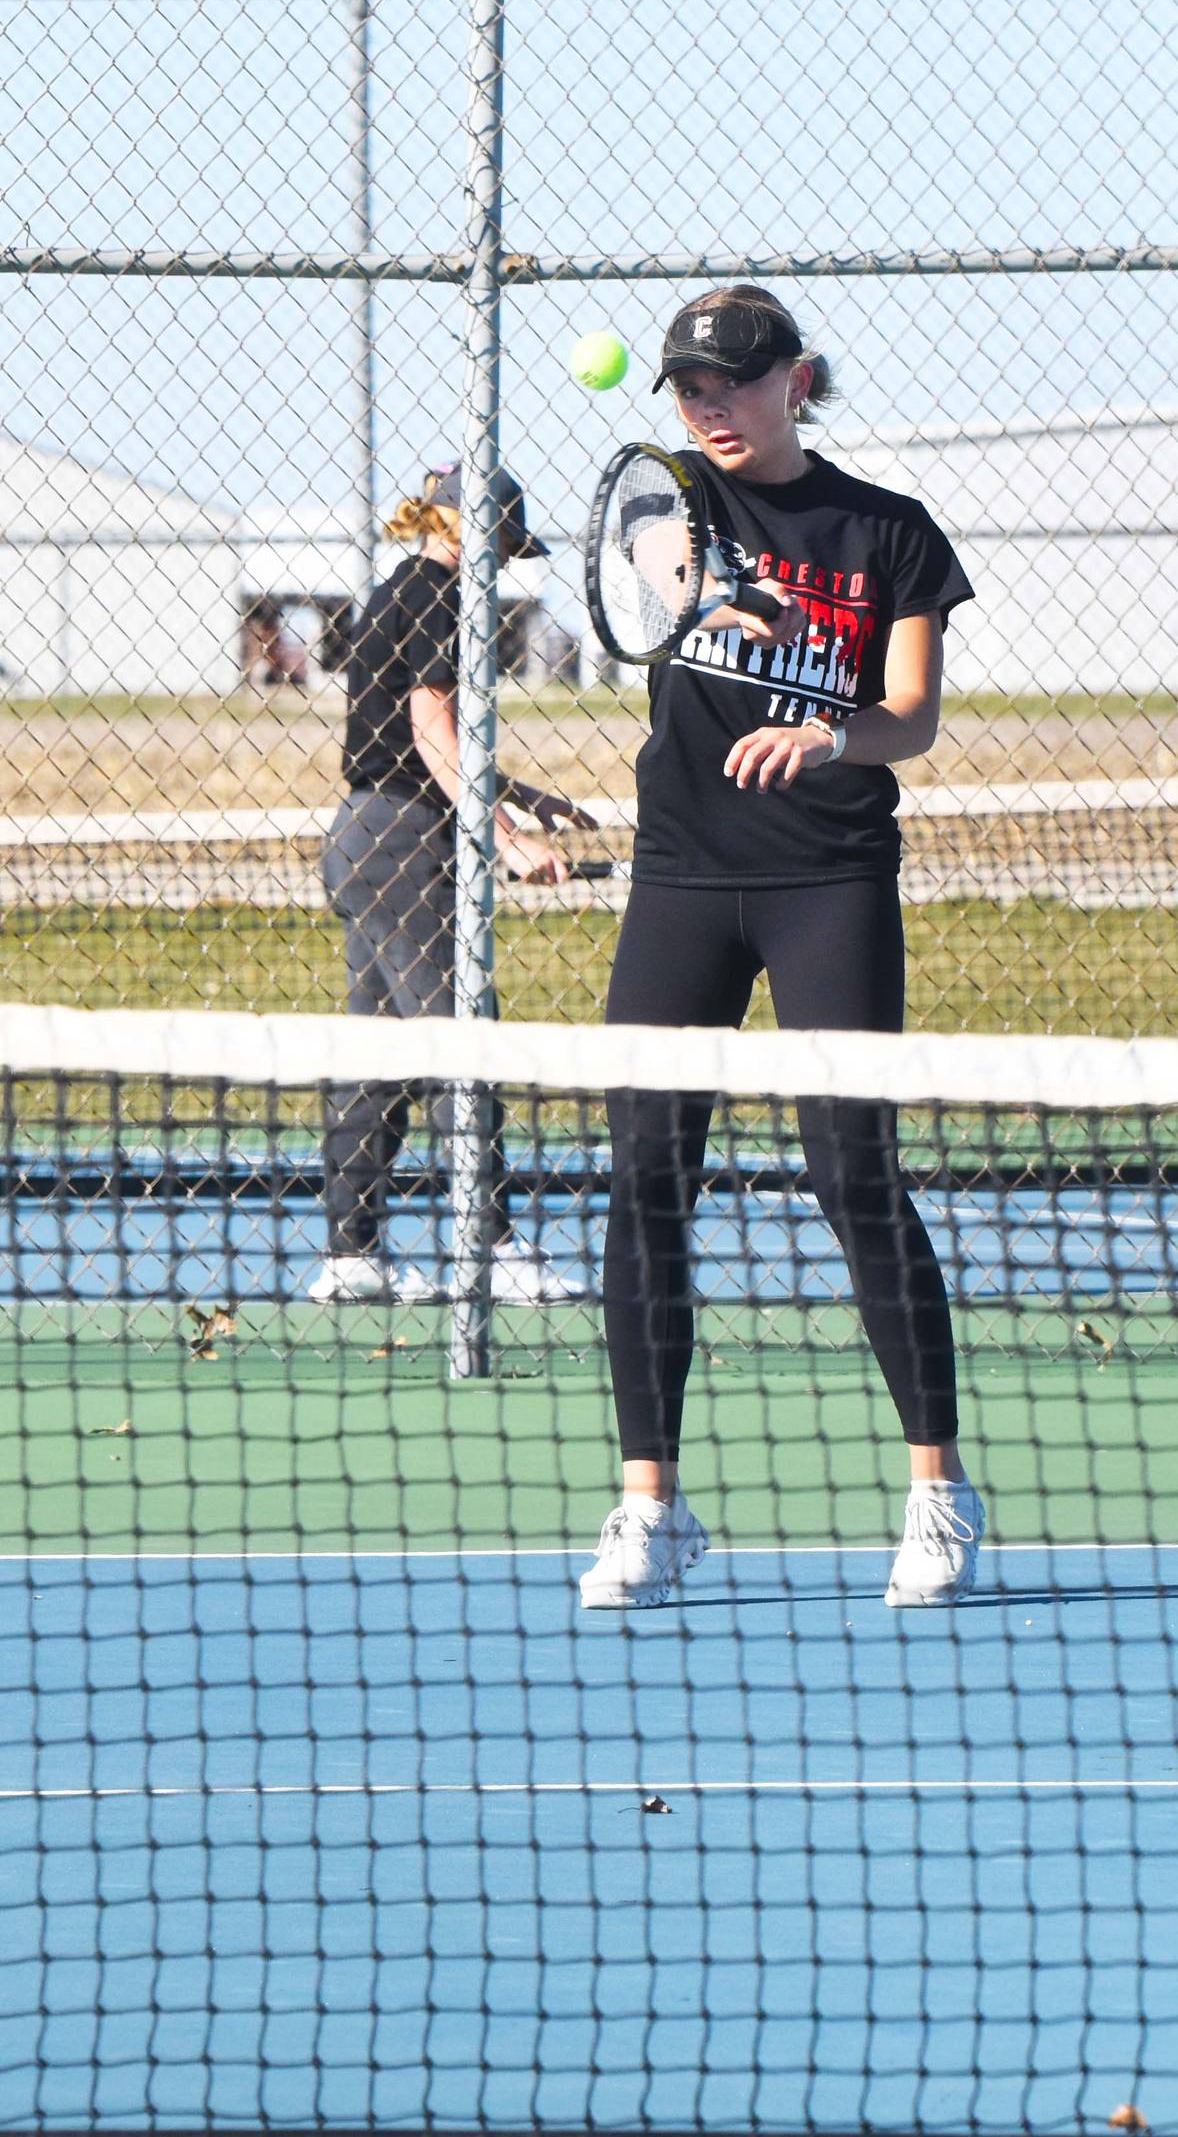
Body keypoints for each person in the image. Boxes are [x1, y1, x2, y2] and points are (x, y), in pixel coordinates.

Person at [579, 286, 984, 1612]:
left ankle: (938, 1492)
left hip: (831, 879)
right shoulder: (666, 500)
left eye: (733, 384)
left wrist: (832, 731)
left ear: (793, 381)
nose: (707, 406)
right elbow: (661, 575)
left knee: (852, 1174)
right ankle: (652, 1507)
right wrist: (713, 605)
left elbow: (912, 717)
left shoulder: (891, 536)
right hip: (684, 880)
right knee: (646, 1173)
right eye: (690, 387)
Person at [311, 460, 598, 1306]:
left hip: (363, 836)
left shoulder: (398, 588)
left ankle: (352, 1253)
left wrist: (518, 792)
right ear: (458, 526)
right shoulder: (440, 597)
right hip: (404, 844)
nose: (505, 558)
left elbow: (414, 735)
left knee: (383, 1055)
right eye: (502, 540)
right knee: (463, 1042)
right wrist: (502, 837)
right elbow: (430, 729)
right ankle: (495, 1248)